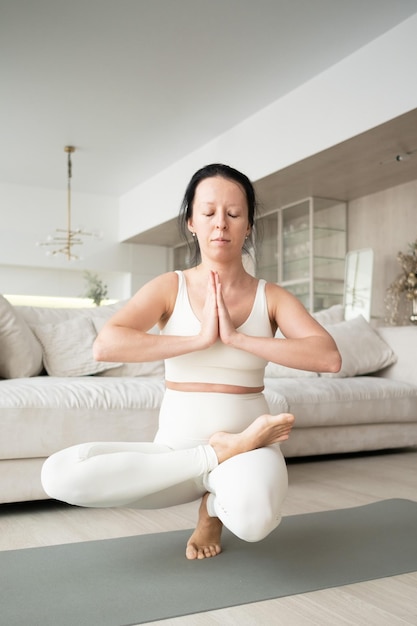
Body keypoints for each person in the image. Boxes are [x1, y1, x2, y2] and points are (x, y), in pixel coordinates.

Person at [41, 164, 341, 560]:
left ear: (248, 225)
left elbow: (328, 356)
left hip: (249, 453)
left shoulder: (271, 296)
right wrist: (198, 339)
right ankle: (218, 455)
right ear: (192, 222)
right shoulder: (171, 286)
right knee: (58, 475)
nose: (221, 224)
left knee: (255, 523)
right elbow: (106, 345)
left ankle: (213, 507)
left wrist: (238, 338)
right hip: (177, 455)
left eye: (234, 214)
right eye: (209, 213)